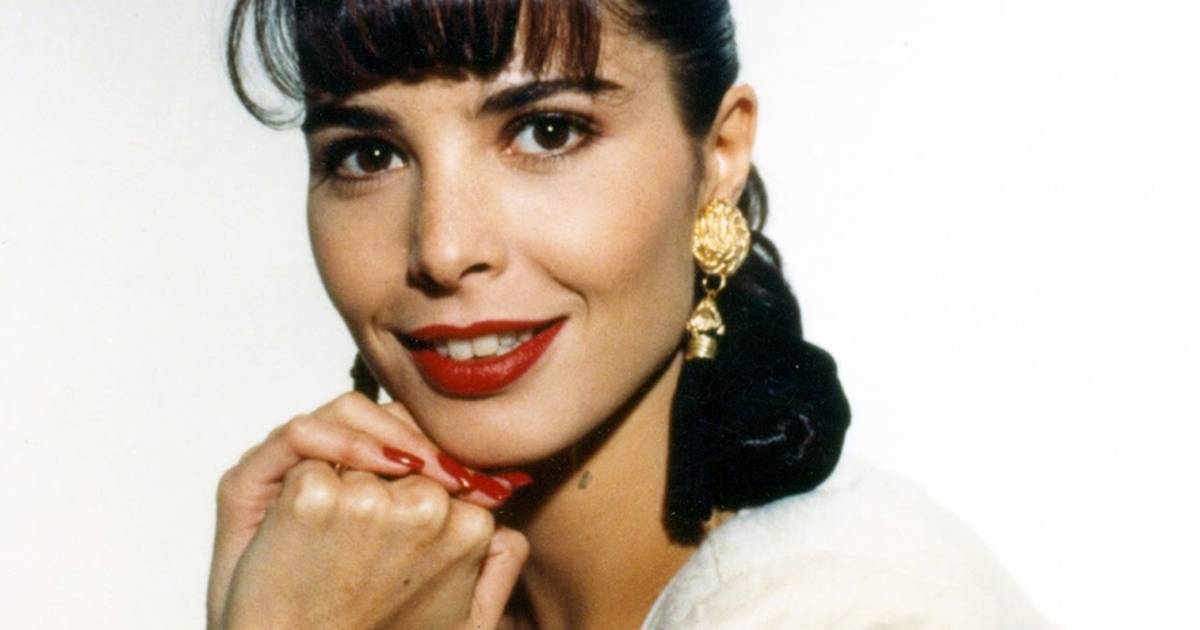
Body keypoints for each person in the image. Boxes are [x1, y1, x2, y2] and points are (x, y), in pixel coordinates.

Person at [208, 1, 1055, 628]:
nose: (441, 247)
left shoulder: (846, 606)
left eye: (547, 133)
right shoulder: (403, 597)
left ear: (718, 155)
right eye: (369, 154)